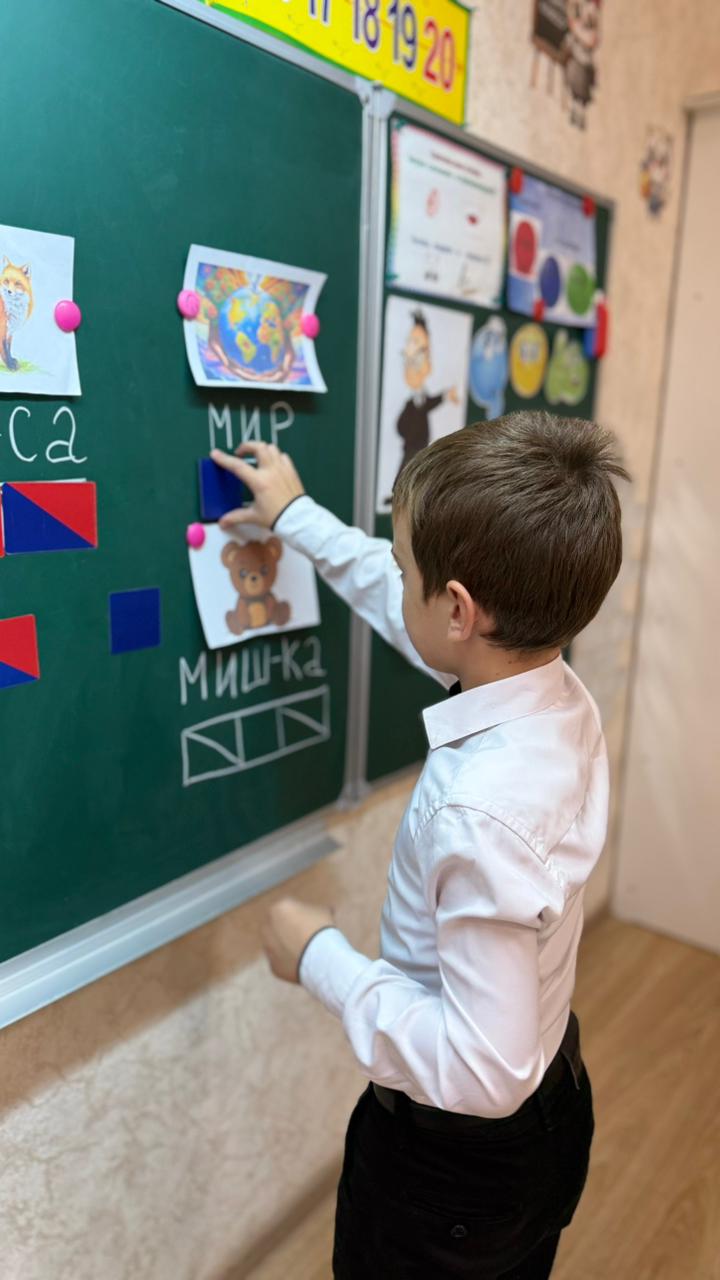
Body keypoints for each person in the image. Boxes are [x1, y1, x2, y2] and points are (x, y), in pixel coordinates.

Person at [211, 412, 628, 1278]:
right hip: (544, 1120)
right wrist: (298, 520)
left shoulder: (480, 813)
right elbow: (420, 618)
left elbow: (484, 1070)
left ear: (461, 609)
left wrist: (319, 957)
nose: (397, 578)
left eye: (407, 569)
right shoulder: (551, 687)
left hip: (451, 1174)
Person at [394, 309, 458, 482]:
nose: (421, 361)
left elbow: (432, 403)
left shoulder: (423, 399)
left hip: (422, 447)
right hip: (412, 448)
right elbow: (400, 425)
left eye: (425, 353)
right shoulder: (411, 404)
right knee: (405, 476)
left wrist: (446, 395)